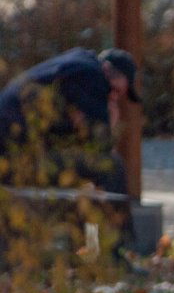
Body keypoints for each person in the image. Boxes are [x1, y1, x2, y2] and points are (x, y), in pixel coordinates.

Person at [0, 46, 139, 195]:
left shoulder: (75, 64)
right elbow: (101, 146)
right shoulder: (93, 76)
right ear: (107, 69)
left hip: (12, 155)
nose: (114, 97)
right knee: (112, 166)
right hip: (14, 161)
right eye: (115, 90)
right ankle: (115, 211)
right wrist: (111, 121)